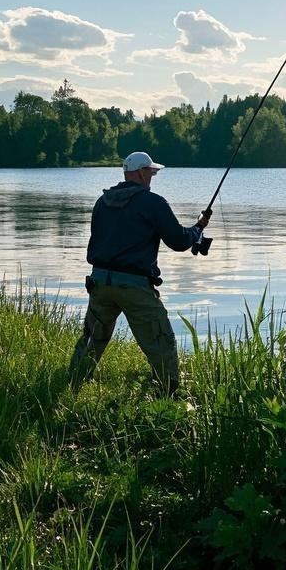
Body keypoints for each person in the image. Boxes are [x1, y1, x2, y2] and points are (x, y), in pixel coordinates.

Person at [67, 151, 211, 395]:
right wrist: (198, 228)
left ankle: (73, 385)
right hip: (134, 287)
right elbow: (178, 241)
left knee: (92, 339)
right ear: (142, 172)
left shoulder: (102, 202)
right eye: (152, 173)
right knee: (161, 341)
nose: (153, 178)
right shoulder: (152, 202)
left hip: (99, 282)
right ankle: (170, 394)